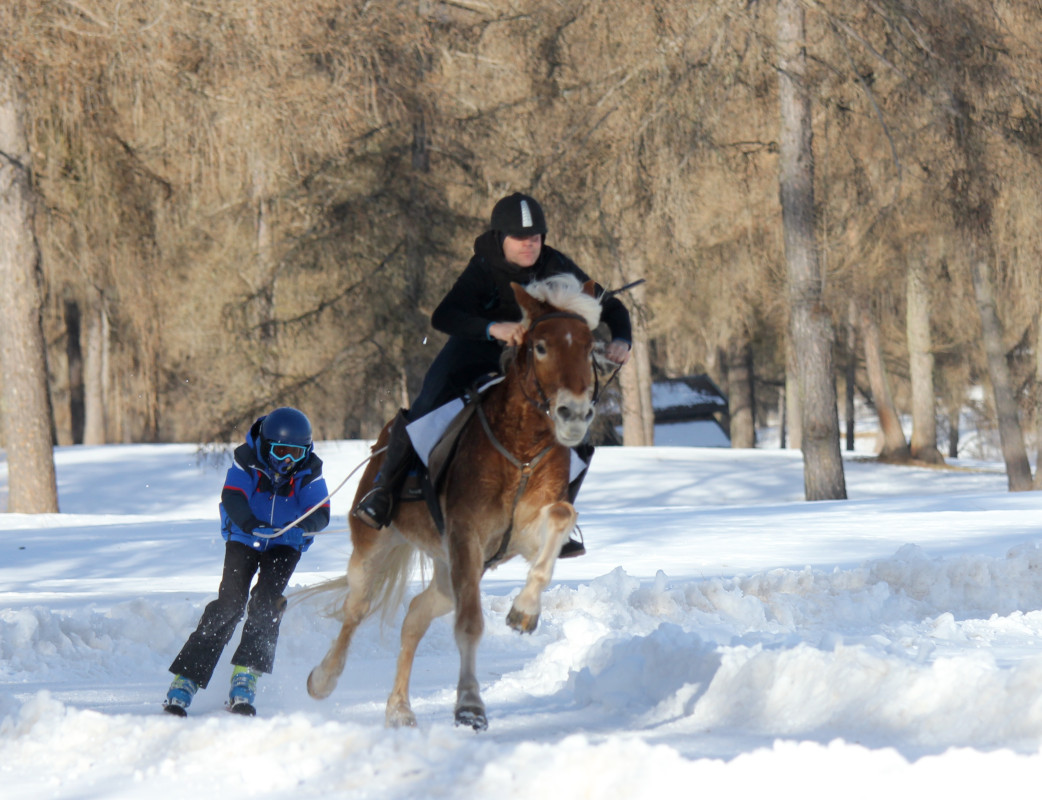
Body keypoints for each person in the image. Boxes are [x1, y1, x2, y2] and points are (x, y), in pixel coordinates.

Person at [353, 192, 632, 557]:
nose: (530, 246)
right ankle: (384, 493)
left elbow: (610, 305)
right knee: (425, 409)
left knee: (574, 427)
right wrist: (493, 328)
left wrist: (622, 339)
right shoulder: (483, 266)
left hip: (531, 360)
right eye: (520, 239)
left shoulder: (555, 264)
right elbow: (444, 316)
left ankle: (559, 516)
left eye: (536, 238)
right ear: (501, 237)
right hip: (473, 350)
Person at [163, 406, 331, 717]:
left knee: (267, 605)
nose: (287, 461)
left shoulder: (309, 471)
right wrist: (251, 525)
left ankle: (246, 674)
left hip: (285, 544)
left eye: (296, 453)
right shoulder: (246, 461)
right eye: (280, 451)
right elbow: (233, 497)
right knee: (230, 604)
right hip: (245, 537)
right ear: (266, 445)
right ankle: (186, 678)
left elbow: (321, 512)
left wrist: (302, 528)